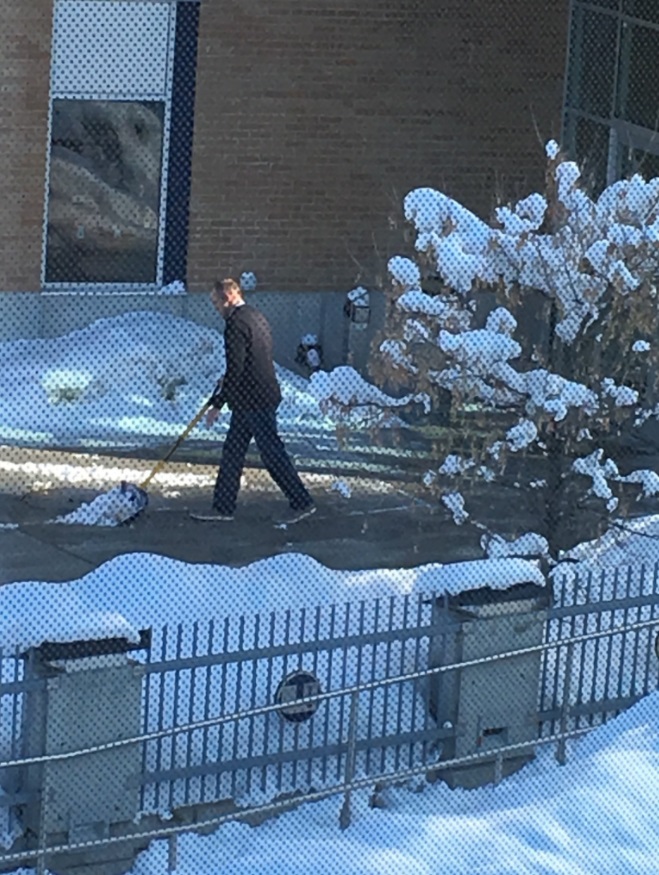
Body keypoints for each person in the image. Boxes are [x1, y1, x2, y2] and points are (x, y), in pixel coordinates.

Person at [197, 277, 316, 523]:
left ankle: (301, 501)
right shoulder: (255, 316)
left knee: (271, 452)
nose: (215, 308)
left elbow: (237, 368)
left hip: (255, 399)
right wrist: (229, 382)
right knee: (233, 452)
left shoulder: (235, 324)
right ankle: (223, 507)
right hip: (254, 396)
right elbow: (252, 358)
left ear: (228, 298)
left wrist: (218, 403)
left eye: (216, 302)